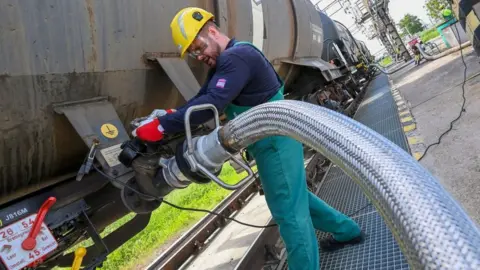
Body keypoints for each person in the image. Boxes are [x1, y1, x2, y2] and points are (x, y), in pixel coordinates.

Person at [132, 7, 364, 270]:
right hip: (270, 141)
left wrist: (161, 127)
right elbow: (202, 98)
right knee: (294, 197)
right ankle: (346, 230)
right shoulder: (229, 60)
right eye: (193, 53)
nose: (199, 56)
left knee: (289, 214)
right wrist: (174, 114)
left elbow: (213, 102)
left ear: (211, 31)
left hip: (274, 143)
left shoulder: (236, 57)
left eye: (198, 46)